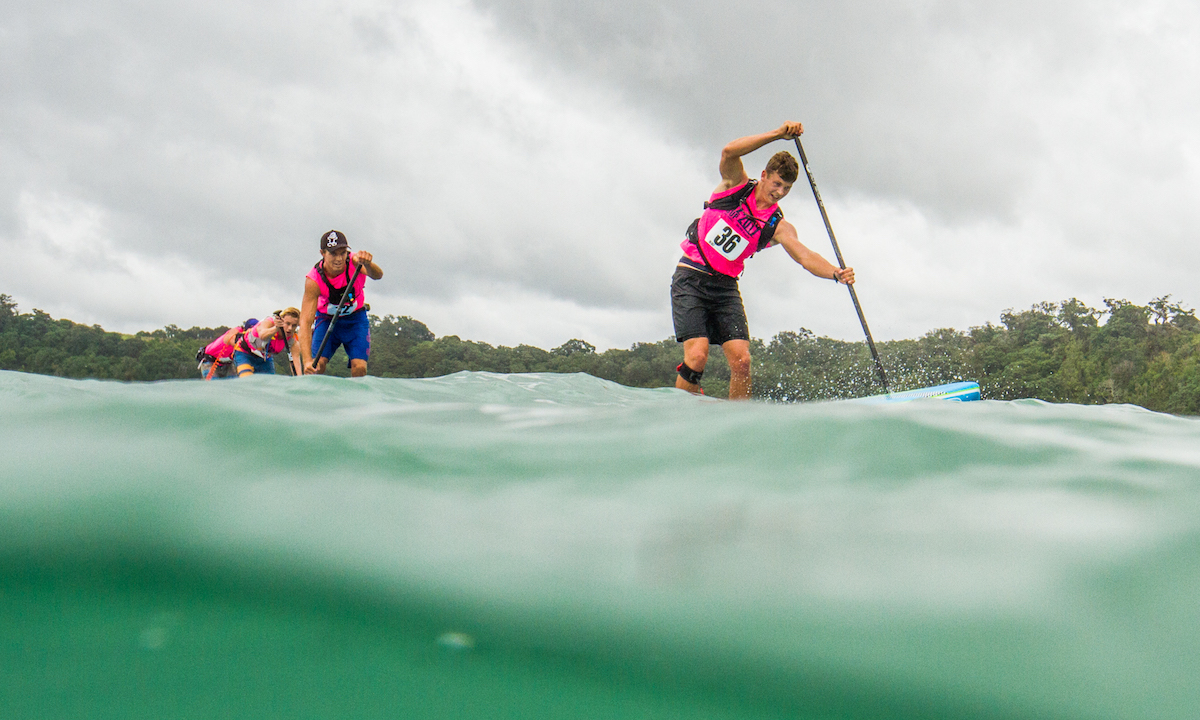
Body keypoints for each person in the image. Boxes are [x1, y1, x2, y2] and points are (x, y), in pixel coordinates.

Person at [671, 121, 854, 399]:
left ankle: (737, 424)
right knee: (697, 357)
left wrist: (836, 273)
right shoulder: (735, 186)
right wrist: (777, 135)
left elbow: (804, 256)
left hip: (725, 289)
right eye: (777, 183)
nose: (779, 192)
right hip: (691, 278)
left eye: (787, 188)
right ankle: (682, 414)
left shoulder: (777, 226)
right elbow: (729, 152)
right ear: (764, 175)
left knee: (742, 362)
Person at [299, 230, 383, 377]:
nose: (339, 259)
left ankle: (356, 398)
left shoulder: (356, 262)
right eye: (333, 254)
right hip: (326, 320)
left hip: (355, 320)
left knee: (359, 368)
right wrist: (306, 361)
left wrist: (368, 264)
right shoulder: (313, 280)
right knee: (316, 367)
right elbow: (305, 322)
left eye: (342, 253)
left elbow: (377, 275)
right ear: (322, 253)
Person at [233, 308, 303, 377]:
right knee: (247, 379)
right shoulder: (269, 322)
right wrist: (276, 328)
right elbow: (262, 335)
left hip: (265, 358)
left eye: (294, 325)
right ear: (281, 321)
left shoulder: (293, 340)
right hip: (244, 353)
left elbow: (296, 364)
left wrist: (299, 380)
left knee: (269, 385)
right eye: (287, 324)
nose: (290, 328)